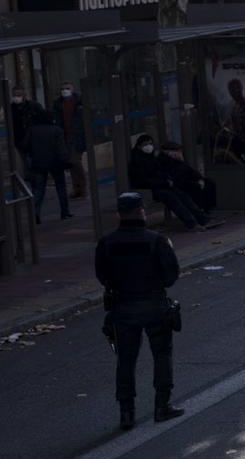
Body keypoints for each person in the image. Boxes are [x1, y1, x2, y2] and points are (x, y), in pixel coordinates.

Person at [94, 192, 183, 430]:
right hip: (154, 304)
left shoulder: (107, 242)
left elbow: (102, 275)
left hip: (123, 307)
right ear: (142, 212)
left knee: (125, 360)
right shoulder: (156, 240)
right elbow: (171, 276)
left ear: (119, 215)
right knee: (162, 356)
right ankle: (162, 406)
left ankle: (126, 413)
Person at [128, 132, 210, 231]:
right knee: (173, 198)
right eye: (145, 144)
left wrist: (168, 180)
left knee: (183, 195)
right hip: (151, 189)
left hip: (163, 186)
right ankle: (192, 224)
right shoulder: (137, 161)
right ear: (139, 146)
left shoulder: (152, 158)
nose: (148, 147)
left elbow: (164, 172)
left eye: (150, 144)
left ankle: (203, 219)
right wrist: (165, 182)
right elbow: (143, 180)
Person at [23, 109, 72, 221]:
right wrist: (66, 161)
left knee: (39, 189)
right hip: (56, 163)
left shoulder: (32, 130)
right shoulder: (56, 130)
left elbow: (25, 145)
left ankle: (36, 212)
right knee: (61, 188)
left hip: (38, 163)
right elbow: (61, 148)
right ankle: (65, 212)